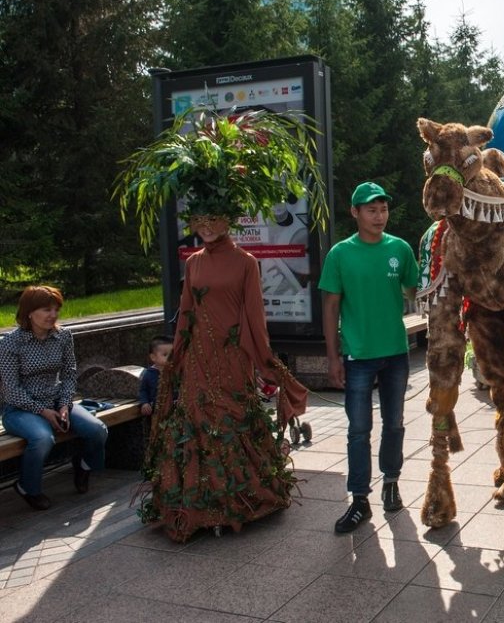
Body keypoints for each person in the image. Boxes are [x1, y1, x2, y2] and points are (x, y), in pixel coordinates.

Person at [142, 214, 309, 542]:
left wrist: (264, 357)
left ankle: (238, 502)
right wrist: (177, 353)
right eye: (199, 221)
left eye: (213, 220)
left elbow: (254, 313)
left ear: (228, 221)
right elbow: (186, 312)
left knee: (230, 417)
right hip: (198, 358)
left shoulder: (246, 262)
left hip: (232, 354)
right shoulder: (193, 264)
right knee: (198, 419)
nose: (205, 227)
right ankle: (199, 506)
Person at [320, 182, 419, 534]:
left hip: (395, 352)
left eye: (383, 209)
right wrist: (333, 357)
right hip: (358, 355)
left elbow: (413, 289)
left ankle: (391, 481)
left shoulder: (400, 249)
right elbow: (330, 307)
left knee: (395, 423)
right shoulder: (340, 254)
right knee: (358, 430)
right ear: (355, 213)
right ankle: (360, 499)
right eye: (371, 210)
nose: (379, 216)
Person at [0, 286, 108, 510]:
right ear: (29, 312)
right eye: (46, 309)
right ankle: (28, 487)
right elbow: (11, 389)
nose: (53, 315)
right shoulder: (10, 343)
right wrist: (42, 411)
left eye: (56, 309)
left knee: (97, 430)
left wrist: (65, 406)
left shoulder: (63, 336)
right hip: (20, 409)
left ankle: (84, 465)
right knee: (42, 438)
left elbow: (69, 374)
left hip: (58, 401)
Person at [138, 335, 172, 417]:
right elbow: (143, 390)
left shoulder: (174, 371)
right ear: (153, 357)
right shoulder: (149, 374)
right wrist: (144, 403)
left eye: (172, 354)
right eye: (165, 355)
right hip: (156, 410)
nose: (170, 358)